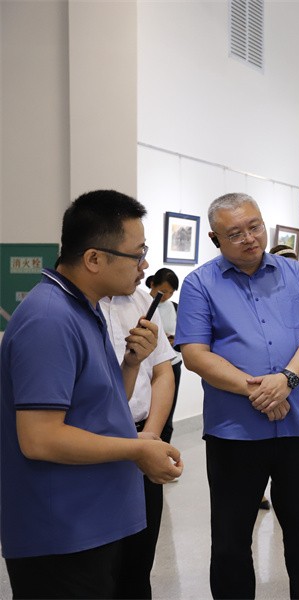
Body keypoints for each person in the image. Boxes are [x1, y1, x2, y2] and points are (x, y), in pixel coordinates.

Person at [0, 190, 183, 599]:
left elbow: (98, 408)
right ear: (94, 259)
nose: (145, 266)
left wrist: (131, 364)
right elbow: (40, 438)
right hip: (62, 534)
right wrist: (137, 449)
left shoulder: (86, 308)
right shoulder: (49, 319)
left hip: (93, 523)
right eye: (137, 254)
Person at [176, 193, 299, 599]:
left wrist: (287, 381)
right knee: (230, 542)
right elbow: (195, 354)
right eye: (235, 233)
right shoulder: (199, 284)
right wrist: (261, 390)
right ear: (215, 239)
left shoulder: (296, 275)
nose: (249, 238)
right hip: (235, 432)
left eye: (255, 226)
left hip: (298, 426)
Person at [99, 284, 177, 599]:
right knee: (98, 566)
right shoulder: (75, 307)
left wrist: (150, 438)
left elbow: (163, 373)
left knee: (138, 561)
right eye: (135, 259)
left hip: (143, 436)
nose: (143, 267)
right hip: (96, 444)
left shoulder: (142, 300)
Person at [146, 267, 182, 443]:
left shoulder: (175, 307)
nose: (166, 296)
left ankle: (163, 450)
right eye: (163, 291)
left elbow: (184, 337)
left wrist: (176, 341)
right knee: (146, 414)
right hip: (147, 366)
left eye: (171, 292)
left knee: (166, 416)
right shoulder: (142, 303)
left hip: (172, 364)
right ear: (152, 284)